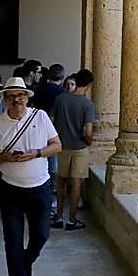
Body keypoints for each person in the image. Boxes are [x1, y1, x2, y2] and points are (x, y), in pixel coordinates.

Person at [0, 77, 61, 276]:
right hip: (10, 190)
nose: (16, 99)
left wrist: (36, 153)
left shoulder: (40, 117)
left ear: (27, 97)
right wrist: (5, 157)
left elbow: (57, 145)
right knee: (13, 239)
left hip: (40, 187)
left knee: (41, 235)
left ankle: (24, 264)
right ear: (5, 99)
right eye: (11, 96)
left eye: (20, 95)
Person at [51, 69, 97, 230]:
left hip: (62, 145)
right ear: (89, 85)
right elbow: (88, 131)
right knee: (76, 182)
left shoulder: (60, 99)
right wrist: (88, 141)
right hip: (79, 147)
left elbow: (51, 120)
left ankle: (58, 217)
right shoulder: (88, 104)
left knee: (61, 180)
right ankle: (72, 219)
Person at [31, 63, 68, 216]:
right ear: (62, 77)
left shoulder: (39, 89)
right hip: (53, 131)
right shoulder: (62, 93)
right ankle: (48, 195)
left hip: (35, 129)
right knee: (52, 165)